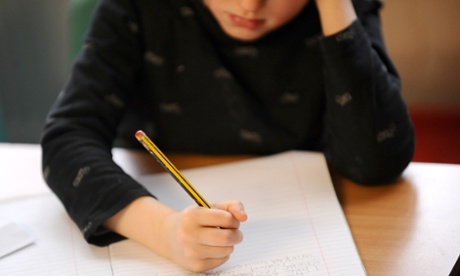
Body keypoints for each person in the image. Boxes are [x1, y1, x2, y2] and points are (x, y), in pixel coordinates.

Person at [41, 0, 415, 272]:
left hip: (312, 214)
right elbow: (67, 138)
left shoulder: (343, 10)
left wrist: (335, 9)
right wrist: (164, 229)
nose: (250, 4)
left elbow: (377, 162)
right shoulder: (139, 9)